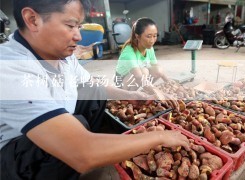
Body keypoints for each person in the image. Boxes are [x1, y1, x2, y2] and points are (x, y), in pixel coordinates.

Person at [0, 0, 189, 179]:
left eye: (79, 26)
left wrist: (131, 95)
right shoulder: (9, 68)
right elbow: (81, 151)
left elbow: (92, 84)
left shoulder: (61, 55)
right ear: (33, 20)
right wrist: (160, 137)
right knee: (78, 132)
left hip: (55, 125)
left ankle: (92, 144)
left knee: (95, 92)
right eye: (70, 25)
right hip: (15, 153)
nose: (78, 36)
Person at [115, 17, 170, 91]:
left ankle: (146, 89)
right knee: (144, 72)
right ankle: (129, 95)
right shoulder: (129, 52)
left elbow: (156, 66)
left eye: (155, 36)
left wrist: (168, 82)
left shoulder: (149, 47)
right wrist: (156, 92)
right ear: (137, 36)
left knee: (158, 70)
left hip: (136, 77)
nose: (152, 40)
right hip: (122, 82)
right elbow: (138, 76)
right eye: (149, 36)